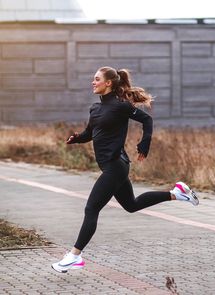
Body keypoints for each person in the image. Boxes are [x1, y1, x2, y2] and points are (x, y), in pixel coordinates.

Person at [52, 66, 199, 273]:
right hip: (112, 166)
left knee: (91, 209)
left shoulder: (120, 106)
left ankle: (74, 256)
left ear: (108, 83)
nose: (92, 82)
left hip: (115, 166)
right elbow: (90, 133)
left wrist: (144, 142)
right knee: (131, 205)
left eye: (96, 79)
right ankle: (176, 194)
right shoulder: (95, 108)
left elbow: (146, 119)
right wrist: (77, 139)